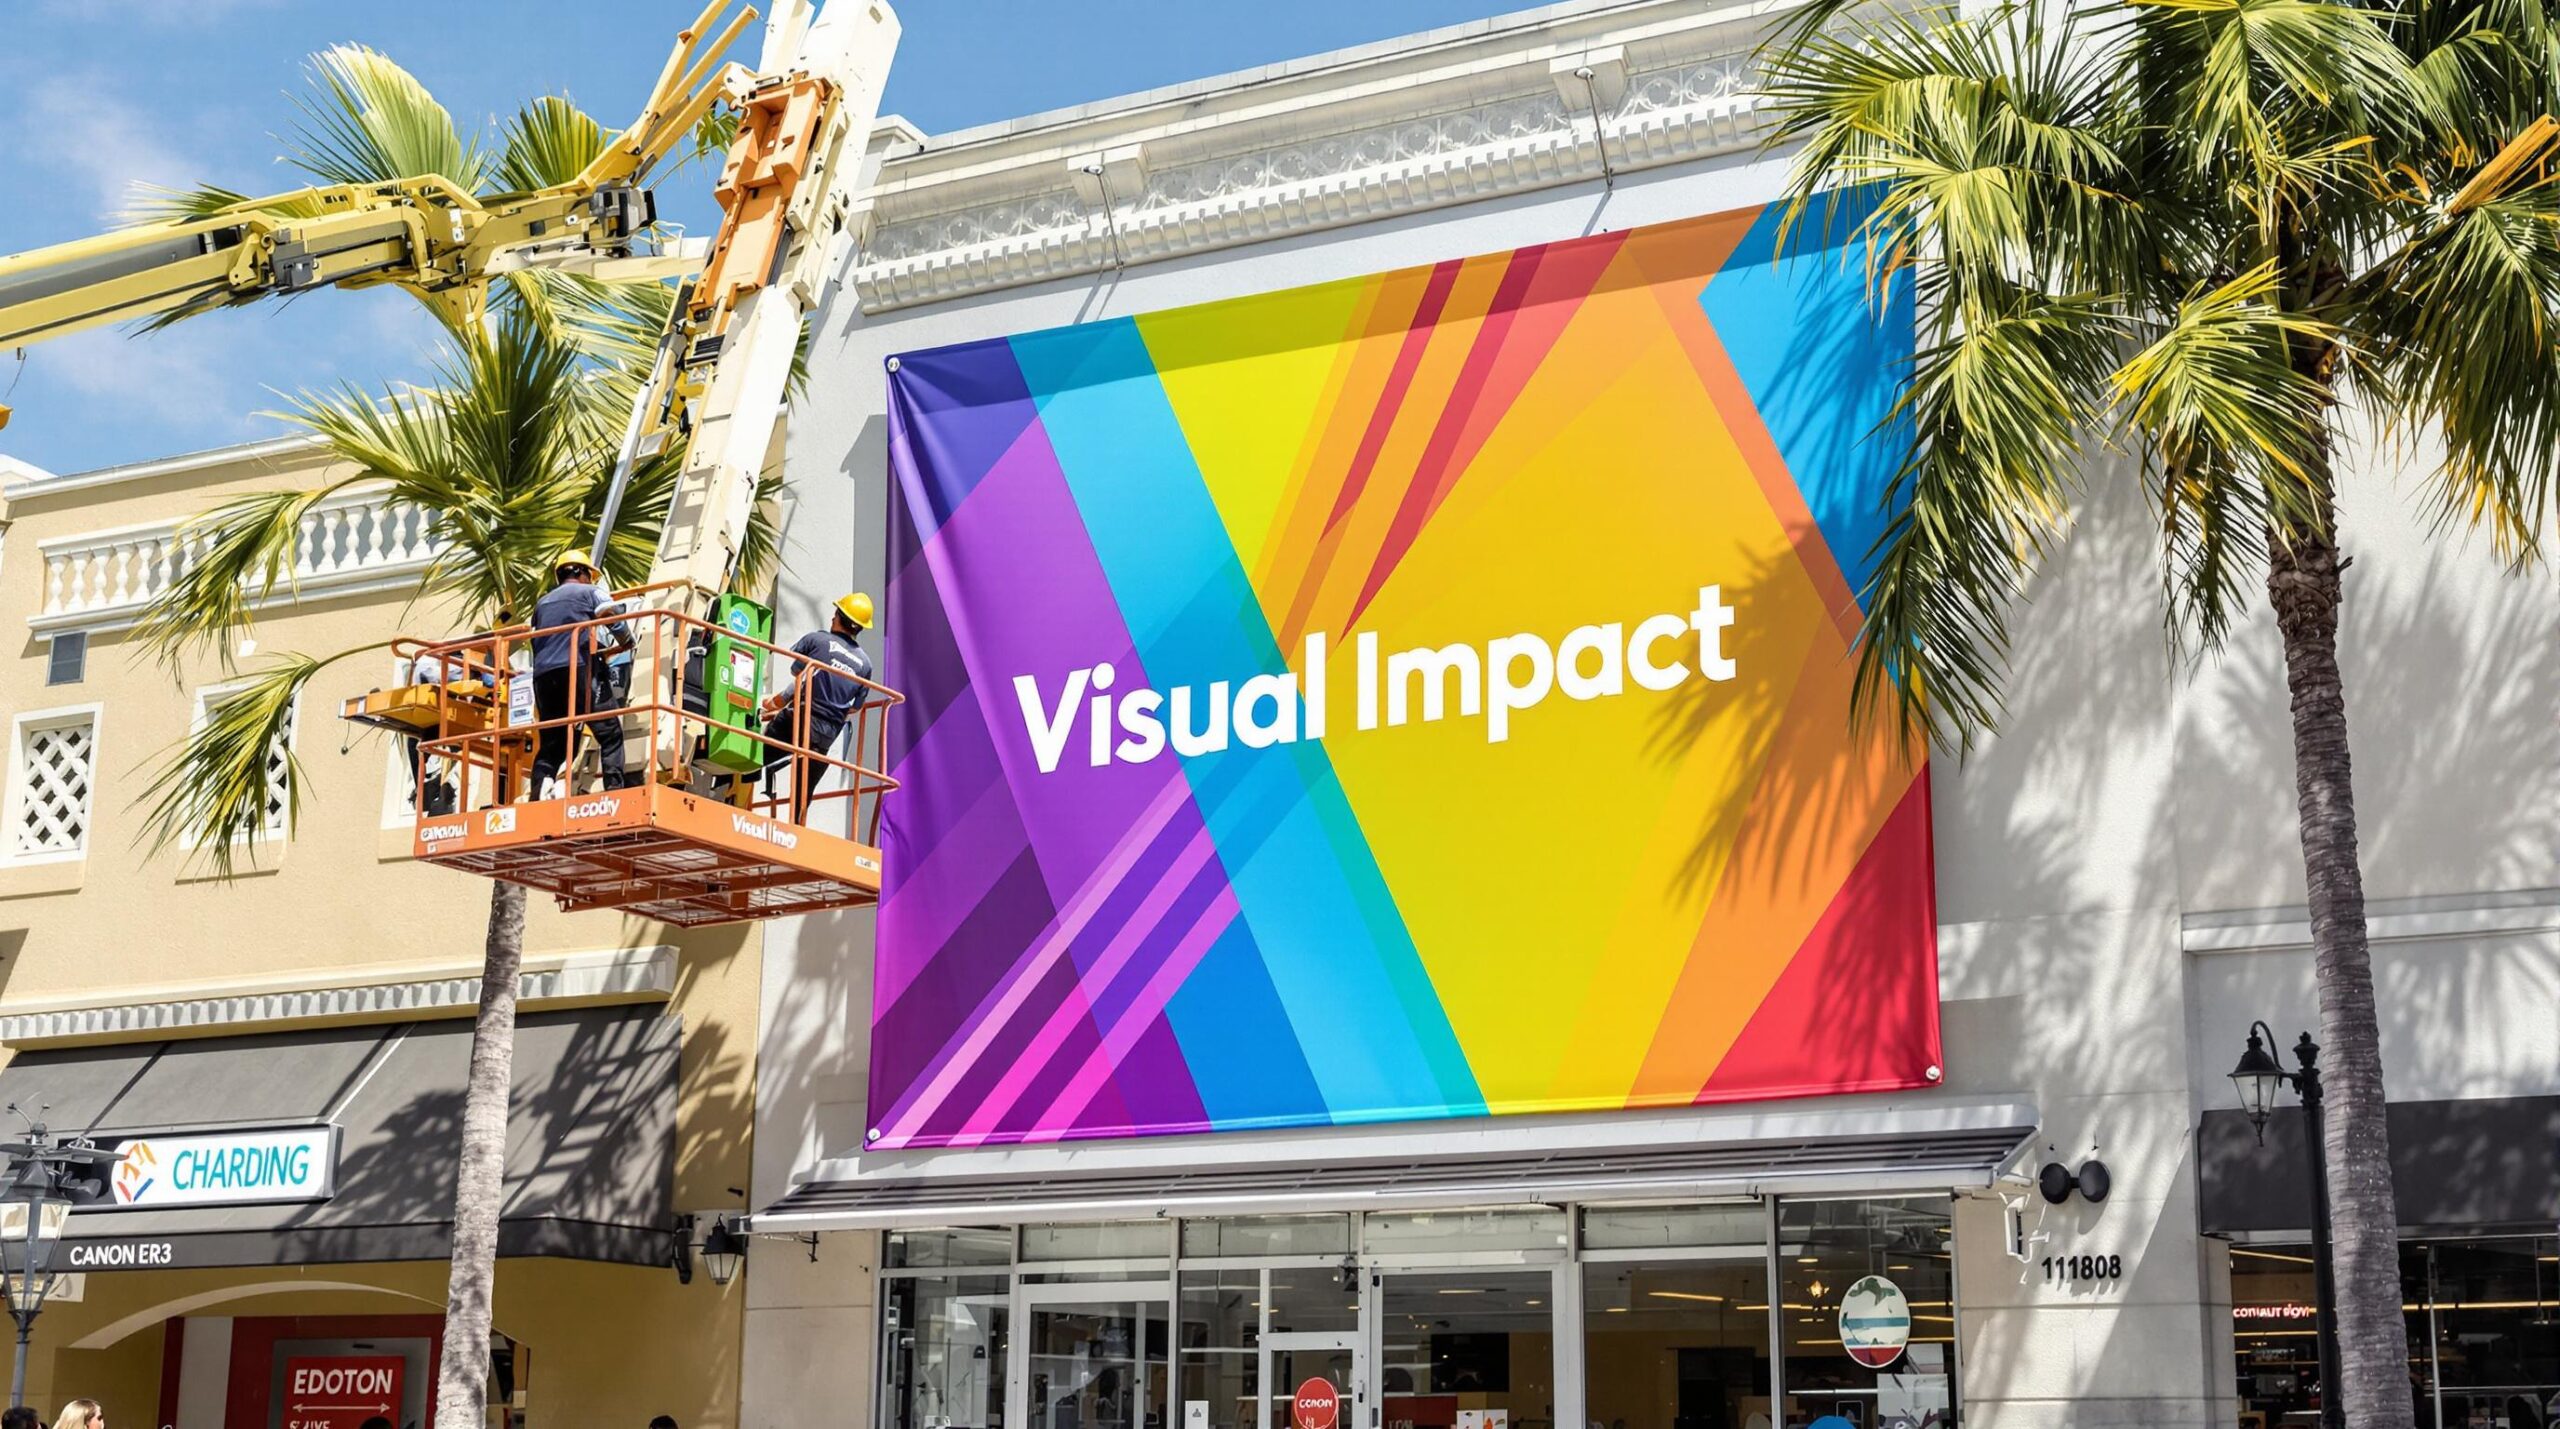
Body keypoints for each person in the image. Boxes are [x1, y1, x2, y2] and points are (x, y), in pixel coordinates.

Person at [756, 592, 876, 818]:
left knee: (756, 756)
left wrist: (776, 703)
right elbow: (854, 707)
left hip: (799, 720)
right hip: (826, 735)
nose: (832, 619)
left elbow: (798, 674)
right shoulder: (865, 664)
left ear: (838, 617)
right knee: (804, 788)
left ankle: (735, 788)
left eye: (835, 614)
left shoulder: (818, 640)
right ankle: (797, 825)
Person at [524, 557, 635, 799]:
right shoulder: (590, 592)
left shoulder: (542, 603)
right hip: (577, 668)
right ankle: (615, 791)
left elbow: (535, 637)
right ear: (582, 572)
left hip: (543, 676)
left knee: (553, 743)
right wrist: (627, 640)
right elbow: (609, 613)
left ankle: (539, 791)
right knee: (610, 732)